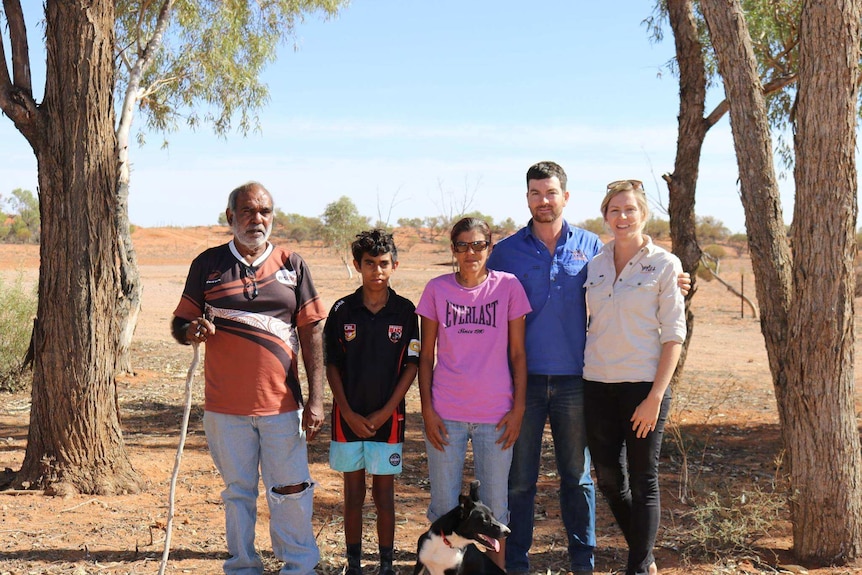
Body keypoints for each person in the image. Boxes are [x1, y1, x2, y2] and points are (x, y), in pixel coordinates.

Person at [171, 181, 326, 575]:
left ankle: (299, 566)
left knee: (290, 490)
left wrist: (317, 398)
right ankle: (242, 567)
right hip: (225, 407)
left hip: (282, 406)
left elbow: (311, 332)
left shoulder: (293, 265)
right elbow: (180, 322)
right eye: (248, 211)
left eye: (265, 212)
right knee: (238, 493)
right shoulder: (208, 264)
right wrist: (192, 331)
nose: (257, 219)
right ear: (230, 217)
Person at [486, 161, 600, 575]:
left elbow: (626, 280)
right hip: (523, 383)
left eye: (550, 193)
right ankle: (516, 563)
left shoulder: (591, 245)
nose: (543, 201)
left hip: (576, 379)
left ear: (565, 197)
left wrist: (673, 276)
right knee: (520, 480)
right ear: (527, 198)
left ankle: (582, 562)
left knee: (577, 477)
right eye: (535, 193)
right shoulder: (506, 251)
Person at [582, 179, 685, 575]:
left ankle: (638, 567)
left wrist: (655, 397)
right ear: (605, 215)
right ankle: (645, 552)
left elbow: (674, 334)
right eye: (615, 210)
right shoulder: (595, 263)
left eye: (630, 210)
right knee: (609, 479)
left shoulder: (665, 265)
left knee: (644, 480)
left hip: (643, 387)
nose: (622, 217)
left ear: (643, 214)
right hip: (597, 385)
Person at [416, 217, 531, 570]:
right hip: (446, 413)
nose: (471, 252)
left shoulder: (508, 287)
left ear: (490, 248)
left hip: (496, 415)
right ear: (453, 250)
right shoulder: (437, 290)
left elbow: (517, 354)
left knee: (494, 509)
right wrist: (428, 411)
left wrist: (519, 409)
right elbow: (426, 356)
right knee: (444, 509)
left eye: (479, 245)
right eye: (463, 245)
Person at [323, 229, 420, 575]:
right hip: (347, 418)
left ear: (394, 265)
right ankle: (353, 565)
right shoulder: (342, 310)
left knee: (383, 496)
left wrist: (386, 410)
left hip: (388, 419)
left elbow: (412, 365)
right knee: (353, 494)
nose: (376, 271)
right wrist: (346, 410)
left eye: (383, 263)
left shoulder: (406, 312)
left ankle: (386, 566)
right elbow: (331, 363)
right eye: (369, 264)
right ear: (357, 266)